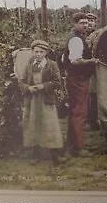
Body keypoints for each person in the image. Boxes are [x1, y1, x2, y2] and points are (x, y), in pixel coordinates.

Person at [19, 40, 65, 167]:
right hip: (33, 101)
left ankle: (55, 155)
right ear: (32, 52)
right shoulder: (29, 65)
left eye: (41, 52)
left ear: (46, 53)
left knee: (50, 125)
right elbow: (21, 82)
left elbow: (57, 82)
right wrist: (28, 88)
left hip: (46, 100)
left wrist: (43, 86)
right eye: (36, 52)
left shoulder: (52, 65)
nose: (38, 54)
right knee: (33, 124)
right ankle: (35, 154)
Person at [64, 12, 98, 157]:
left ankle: (72, 144)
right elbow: (76, 61)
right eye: (82, 23)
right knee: (80, 112)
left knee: (74, 111)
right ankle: (78, 147)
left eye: (86, 23)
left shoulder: (76, 37)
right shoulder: (76, 40)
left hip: (74, 78)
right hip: (78, 79)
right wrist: (92, 61)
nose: (85, 25)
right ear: (75, 24)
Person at [85, 13, 100, 130]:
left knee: (93, 94)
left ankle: (93, 119)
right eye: (87, 20)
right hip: (81, 67)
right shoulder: (80, 35)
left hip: (93, 68)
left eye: (92, 21)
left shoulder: (98, 34)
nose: (90, 23)